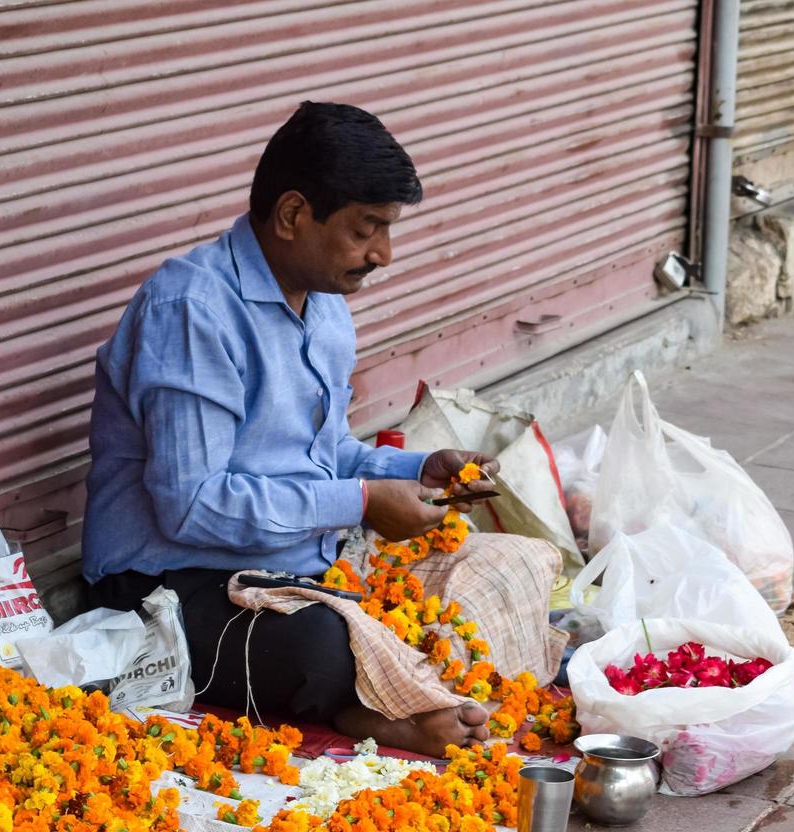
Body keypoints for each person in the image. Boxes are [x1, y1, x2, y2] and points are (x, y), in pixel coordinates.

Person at [83, 101, 499, 755]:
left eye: (388, 230)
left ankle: (379, 690)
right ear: (292, 215)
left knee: (493, 573)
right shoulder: (192, 311)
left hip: (285, 568)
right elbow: (191, 507)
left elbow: (321, 449)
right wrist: (361, 503)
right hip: (167, 581)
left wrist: (415, 471)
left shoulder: (326, 305)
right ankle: (366, 707)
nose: (384, 254)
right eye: (367, 229)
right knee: (323, 648)